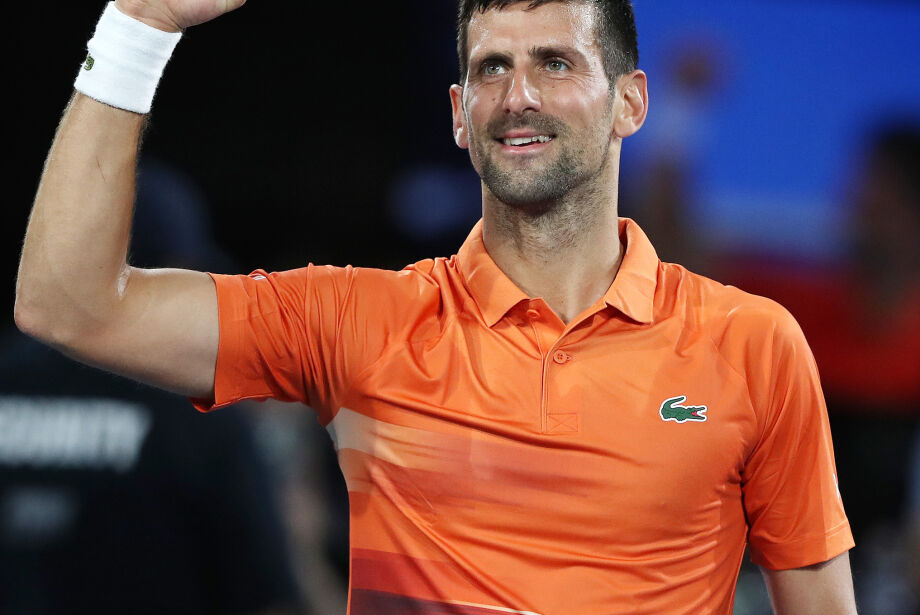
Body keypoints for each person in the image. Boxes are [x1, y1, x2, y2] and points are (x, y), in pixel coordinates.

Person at [14, 0, 858, 613]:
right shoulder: (360, 323)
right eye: (492, 67)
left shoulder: (752, 344)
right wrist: (138, 24)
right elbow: (68, 305)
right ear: (459, 115)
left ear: (630, 102)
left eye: (555, 62)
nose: (519, 94)